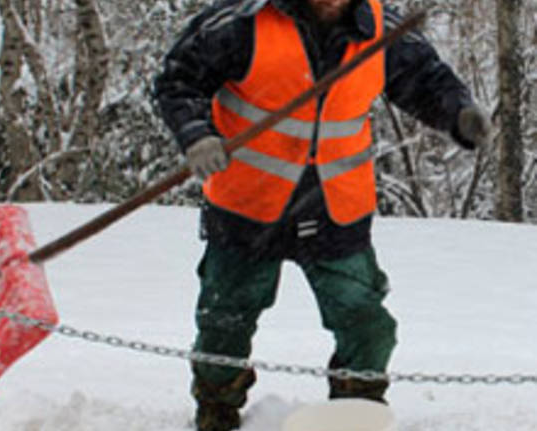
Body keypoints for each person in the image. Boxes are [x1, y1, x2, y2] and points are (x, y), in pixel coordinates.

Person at [154, 0, 491, 430]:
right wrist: (195, 135)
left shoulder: (380, 28)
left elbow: (425, 80)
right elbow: (178, 81)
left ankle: (357, 411)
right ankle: (216, 406)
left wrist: (459, 114)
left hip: (337, 207)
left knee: (366, 322)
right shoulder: (241, 21)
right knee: (224, 321)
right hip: (247, 207)